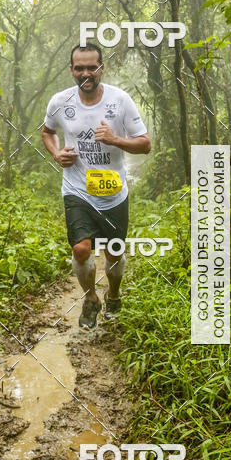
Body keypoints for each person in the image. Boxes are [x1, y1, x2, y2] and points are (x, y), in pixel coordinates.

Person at [41, 42, 151, 328]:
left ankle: (113, 293)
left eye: (92, 67)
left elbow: (145, 144)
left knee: (114, 251)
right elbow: (47, 131)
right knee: (81, 249)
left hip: (113, 193)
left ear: (102, 68)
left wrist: (116, 140)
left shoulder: (120, 100)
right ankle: (90, 298)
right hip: (77, 190)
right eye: (80, 68)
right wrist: (56, 154)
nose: (86, 74)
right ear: (71, 70)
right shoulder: (60, 102)